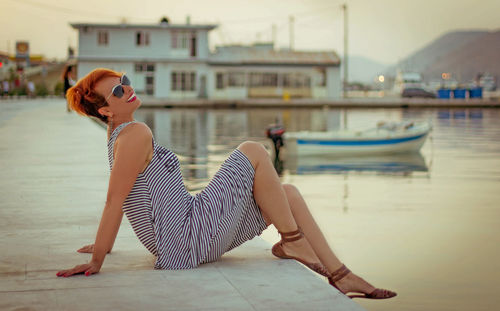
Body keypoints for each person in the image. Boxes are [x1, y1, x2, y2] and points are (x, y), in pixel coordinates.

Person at [56, 68, 396, 300]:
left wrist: (104, 245)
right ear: (105, 111)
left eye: (125, 81)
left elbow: (129, 197)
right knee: (252, 150)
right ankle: (293, 242)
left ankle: (340, 275)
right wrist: (98, 257)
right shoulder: (136, 133)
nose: (128, 88)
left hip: (184, 238)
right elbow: (114, 201)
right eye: (117, 90)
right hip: (187, 236)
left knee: (287, 193)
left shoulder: (120, 136)